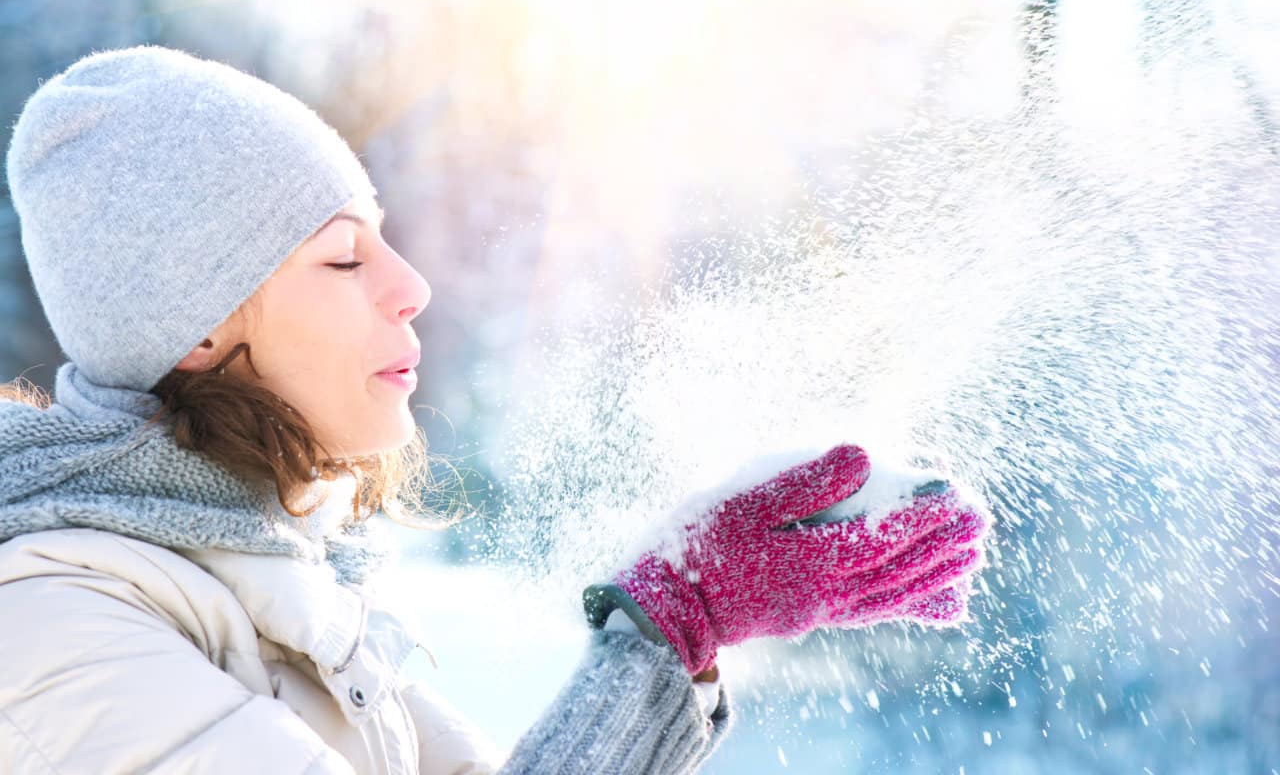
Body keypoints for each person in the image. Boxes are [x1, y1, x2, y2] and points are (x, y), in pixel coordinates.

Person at [0, 45, 991, 774]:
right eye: (343, 256)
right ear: (196, 330)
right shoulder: (53, 624)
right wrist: (668, 620)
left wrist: (679, 624)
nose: (410, 284)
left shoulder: (279, 582)